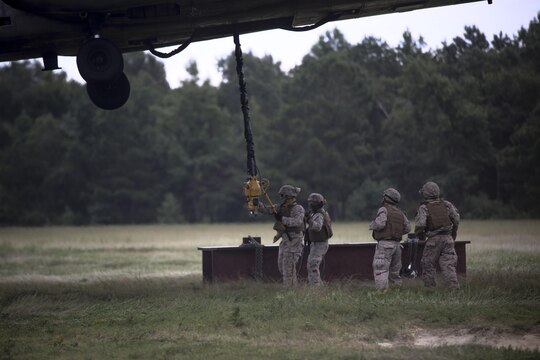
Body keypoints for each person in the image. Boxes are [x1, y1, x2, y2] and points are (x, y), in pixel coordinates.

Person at [414, 181, 460, 289]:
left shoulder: (424, 207)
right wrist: (452, 235)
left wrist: (418, 235)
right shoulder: (447, 204)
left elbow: (420, 224)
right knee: (449, 265)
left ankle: (430, 289)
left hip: (433, 240)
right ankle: (453, 288)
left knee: (428, 264)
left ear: (424, 194)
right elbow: (456, 220)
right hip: (448, 239)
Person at [259, 184, 305, 286]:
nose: (281, 198)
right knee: (282, 265)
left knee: (288, 266)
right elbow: (266, 210)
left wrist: (282, 219)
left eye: (282, 196)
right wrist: (256, 203)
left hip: (294, 239)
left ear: (288, 197)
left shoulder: (298, 208)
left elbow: (297, 221)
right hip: (285, 239)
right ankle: (290, 286)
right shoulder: (280, 208)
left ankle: (290, 290)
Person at [369, 188, 411, 291]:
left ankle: (382, 293)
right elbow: (407, 228)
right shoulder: (400, 212)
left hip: (385, 245)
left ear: (386, 198)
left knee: (381, 268)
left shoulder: (384, 209)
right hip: (397, 246)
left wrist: (372, 225)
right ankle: (396, 291)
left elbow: (380, 224)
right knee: (395, 272)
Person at [305, 193, 333, 286]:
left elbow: (317, 227)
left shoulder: (320, 214)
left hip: (320, 244)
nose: (311, 205)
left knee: (313, 265)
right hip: (317, 243)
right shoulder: (317, 214)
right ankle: (316, 285)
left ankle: (316, 286)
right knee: (311, 264)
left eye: (313, 203)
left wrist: (309, 220)